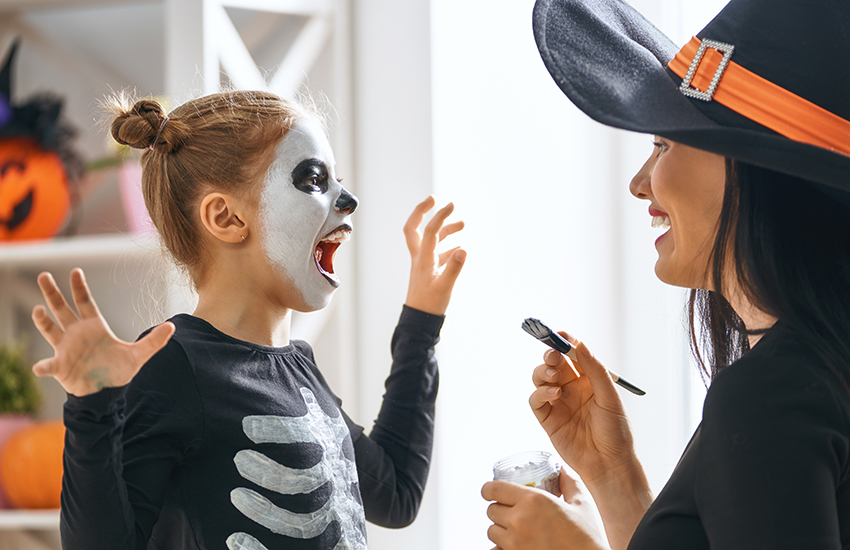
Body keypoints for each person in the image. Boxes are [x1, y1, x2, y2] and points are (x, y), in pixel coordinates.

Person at [482, 0, 850, 548]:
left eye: (662, 143)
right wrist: (614, 476)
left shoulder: (769, 395)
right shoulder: (806, 373)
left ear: (752, 168)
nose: (640, 182)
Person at [31, 90, 466, 550]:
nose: (348, 199)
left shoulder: (299, 367)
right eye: (315, 180)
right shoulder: (173, 365)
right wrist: (92, 409)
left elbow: (395, 493)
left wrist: (422, 318)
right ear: (226, 217)